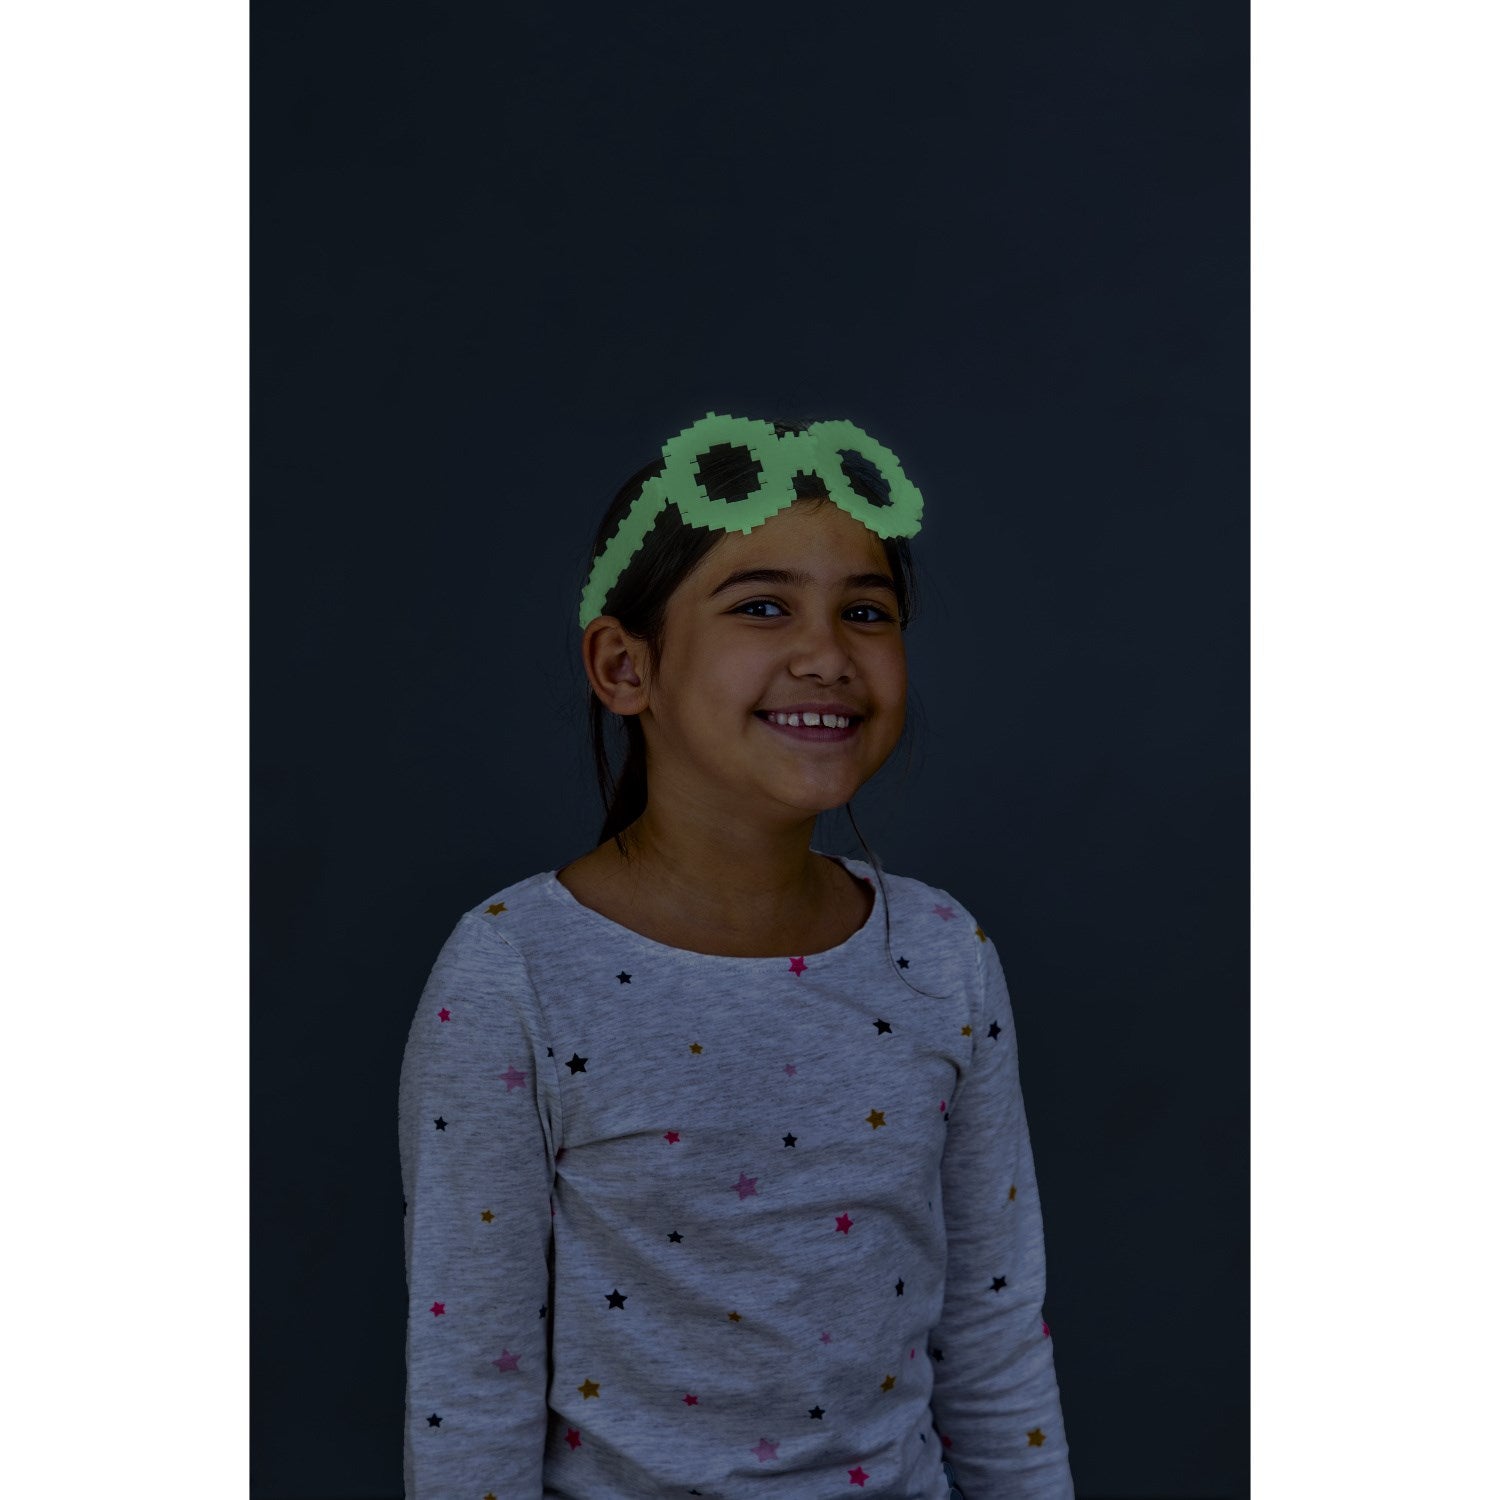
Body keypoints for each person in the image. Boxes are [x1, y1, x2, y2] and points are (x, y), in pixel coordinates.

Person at [398, 413, 1074, 1498]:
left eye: (866, 612)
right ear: (625, 666)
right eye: (762, 606)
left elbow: (994, 1341)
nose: (826, 655)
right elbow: (474, 1379)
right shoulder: (514, 972)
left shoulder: (942, 955)